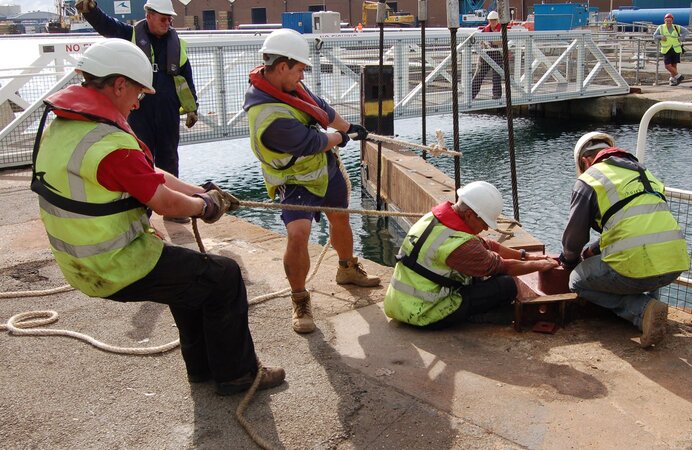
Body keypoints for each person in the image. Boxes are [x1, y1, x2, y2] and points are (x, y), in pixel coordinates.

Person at [30, 39, 284, 396]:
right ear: (119, 84)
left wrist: (201, 191)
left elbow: (149, 175)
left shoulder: (64, 127)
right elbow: (163, 202)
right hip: (113, 263)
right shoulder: (109, 145)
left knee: (191, 283)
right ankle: (238, 375)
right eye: (138, 92)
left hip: (79, 259)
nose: (138, 103)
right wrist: (205, 207)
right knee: (224, 276)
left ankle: (202, 370)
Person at [243, 28, 380, 335]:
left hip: (324, 168)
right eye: (300, 69)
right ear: (282, 67)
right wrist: (341, 137)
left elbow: (321, 109)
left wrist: (349, 126)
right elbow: (312, 142)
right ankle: (300, 299)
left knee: (340, 217)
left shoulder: (289, 86)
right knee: (298, 234)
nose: (302, 75)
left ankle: (347, 269)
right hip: (295, 179)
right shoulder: (268, 116)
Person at [559, 132, 690, 348]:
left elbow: (574, 239)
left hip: (635, 266)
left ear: (585, 161)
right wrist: (594, 250)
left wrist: (568, 260)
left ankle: (643, 311)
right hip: (674, 264)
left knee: (576, 280)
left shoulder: (590, 179)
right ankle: (654, 306)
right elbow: (635, 225)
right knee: (644, 261)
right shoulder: (645, 174)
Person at [76, 0, 199, 223]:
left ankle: (174, 210)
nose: (167, 23)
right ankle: (143, 213)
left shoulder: (177, 44)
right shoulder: (130, 35)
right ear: (149, 15)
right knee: (141, 160)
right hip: (139, 109)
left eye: (170, 19)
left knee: (170, 157)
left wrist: (193, 108)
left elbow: (186, 78)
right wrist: (91, 11)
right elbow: (107, 26)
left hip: (168, 110)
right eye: (163, 18)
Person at [383, 181, 559, 329]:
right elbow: (502, 266)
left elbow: (488, 245)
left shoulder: (434, 219)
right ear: (469, 215)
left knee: (477, 274)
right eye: (484, 222)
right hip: (424, 312)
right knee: (506, 285)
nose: (486, 228)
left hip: (398, 303)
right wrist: (539, 266)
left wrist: (525, 256)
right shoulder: (462, 245)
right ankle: (475, 315)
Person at [470, 11, 503, 100]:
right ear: (488, 21)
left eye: (494, 20)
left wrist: (490, 41)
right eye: (491, 20)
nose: (493, 22)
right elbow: (479, 40)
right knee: (479, 75)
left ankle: (496, 95)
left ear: (498, 20)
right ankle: (471, 95)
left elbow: (502, 41)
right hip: (485, 55)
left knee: (497, 76)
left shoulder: (502, 29)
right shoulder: (484, 30)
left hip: (497, 54)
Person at [653, 13, 688, 86]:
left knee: (674, 65)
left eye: (670, 21)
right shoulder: (661, 27)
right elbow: (655, 36)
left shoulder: (676, 27)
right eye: (667, 21)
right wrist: (661, 37)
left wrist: (681, 38)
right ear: (664, 20)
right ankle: (679, 76)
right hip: (666, 49)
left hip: (676, 48)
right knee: (667, 66)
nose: (668, 22)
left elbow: (685, 31)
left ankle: (673, 80)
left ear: (672, 21)